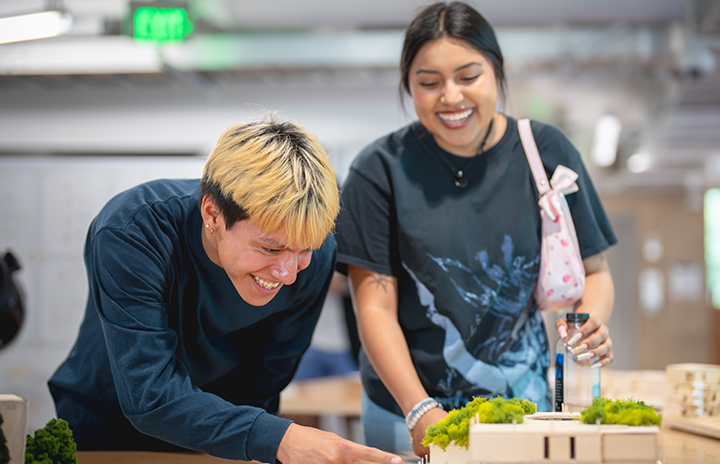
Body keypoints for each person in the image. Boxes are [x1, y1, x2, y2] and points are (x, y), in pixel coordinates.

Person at [335, 2, 618, 457]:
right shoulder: (379, 169)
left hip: (524, 410)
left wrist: (588, 323)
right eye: (429, 83)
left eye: (469, 77)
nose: (451, 97)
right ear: (409, 85)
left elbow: (596, 271)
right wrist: (418, 409)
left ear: (497, 73)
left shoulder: (545, 149)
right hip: (408, 409)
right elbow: (374, 308)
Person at [48, 115, 401, 464]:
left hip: (225, 436)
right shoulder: (133, 231)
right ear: (213, 215)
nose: (288, 274)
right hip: (107, 432)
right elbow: (149, 394)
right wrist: (280, 438)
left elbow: (267, 378)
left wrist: (256, 438)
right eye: (270, 248)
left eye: (304, 250)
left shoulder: (315, 256)